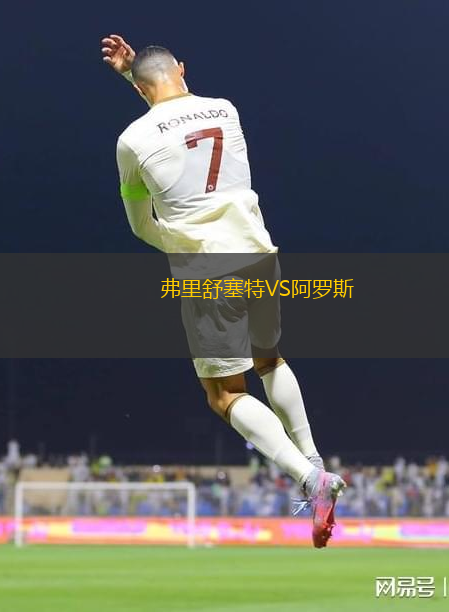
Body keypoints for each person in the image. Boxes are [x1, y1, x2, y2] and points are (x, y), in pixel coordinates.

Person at [101, 35, 345, 547]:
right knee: (270, 361)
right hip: (258, 250)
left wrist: (181, 245)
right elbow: (178, 116)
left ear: (140, 88)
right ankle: (315, 458)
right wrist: (136, 75)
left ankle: (309, 479)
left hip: (208, 267)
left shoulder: (131, 141)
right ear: (183, 69)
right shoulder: (225, 109)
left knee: (225, 393)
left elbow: (140, 223)